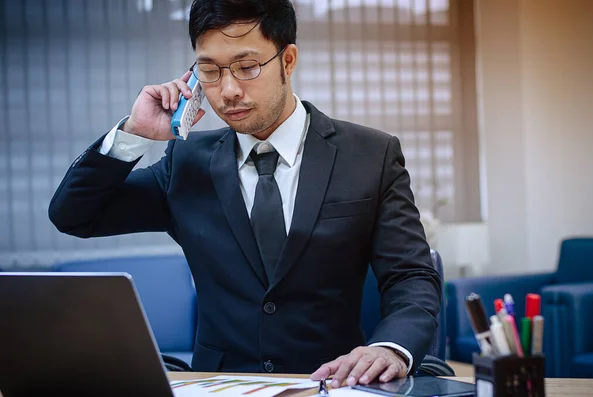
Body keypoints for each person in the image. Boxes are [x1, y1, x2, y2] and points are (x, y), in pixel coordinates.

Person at [48, 0, 441, 387]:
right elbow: (74, 215)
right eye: (210, 71)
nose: (229, 90)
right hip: (217, 384)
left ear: (287, 61)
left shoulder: (370, 155)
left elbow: (411, 275)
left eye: (247, 66)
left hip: (331, 383)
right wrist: (133, 134)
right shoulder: (186, 162)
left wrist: (391, 348)